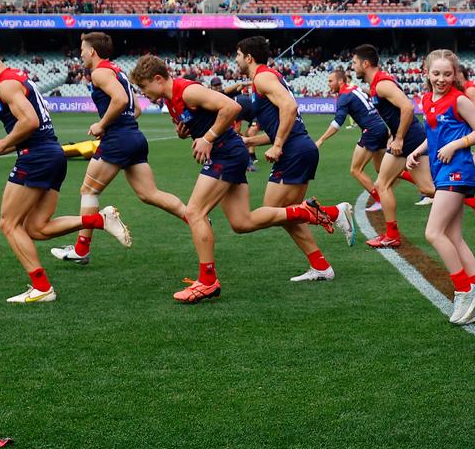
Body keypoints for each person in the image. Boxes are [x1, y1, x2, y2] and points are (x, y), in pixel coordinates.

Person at [129, 55, 352, 303]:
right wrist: (186, 132)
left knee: (194, 212)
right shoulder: (171, 100)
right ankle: (317, 213)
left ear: (158, 79)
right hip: (228, 153)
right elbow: (201, 122)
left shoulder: (187, 91)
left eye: (144, 87)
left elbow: (231, 108)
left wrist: (208, 137)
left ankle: (207, 281)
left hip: (226, 153)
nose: (143, 93)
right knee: (241, 222)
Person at [0, 34, 131, 303]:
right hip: (51, 154)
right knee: (37, 228)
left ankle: (42, 288)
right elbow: (31, 127)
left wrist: (1, 143)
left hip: (37, 157)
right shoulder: (16, 78)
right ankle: (99, 220)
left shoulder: (6, 85)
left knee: (8, 223)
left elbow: (29, 122)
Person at [50, 32, 188, 266]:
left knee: (88, 191)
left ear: (92, 51)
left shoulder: (100, 72)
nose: (80, 53)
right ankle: (193, 215)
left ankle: (81, 250)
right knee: (149, 194)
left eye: (82, 49)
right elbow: (136, 109)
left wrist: (102, 124)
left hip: (118, 139)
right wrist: (117, 122)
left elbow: (121, 100)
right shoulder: (117, 72)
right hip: (134, 136)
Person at [234, 37, 355, 283]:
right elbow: (281, 125)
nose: (235, 60)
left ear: (248, 57)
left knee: (271, 211)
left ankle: (333, 213)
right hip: (301, 147)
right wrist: (249, 142)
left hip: (294, 151)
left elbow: (289, 107)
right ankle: (321, 267)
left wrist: (278, 145)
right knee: (288, 215)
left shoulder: (262, 77)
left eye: (237, 55)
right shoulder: (268, 78)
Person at [405, 50, 475, 323]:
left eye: (447, 74)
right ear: (426, 73)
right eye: (436, 73)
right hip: (440, 169)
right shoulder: (426, 99)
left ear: (455, 75)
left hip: (458, 170)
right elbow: (434, 135)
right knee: (453, 236)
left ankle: (464, 289)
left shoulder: (460, 100)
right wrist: (417, 151)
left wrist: (456, 145)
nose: (441, 79)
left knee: (433, 232)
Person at [353, 44, 435, 248]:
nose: (352, 67)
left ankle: (392, 235)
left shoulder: (381, 84)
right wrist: (393, 135)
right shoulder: (376, 84)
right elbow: (394, 113)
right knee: (418, 186)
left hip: (409, 138)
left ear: (365, 63)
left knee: (393, 185)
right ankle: (392, 235)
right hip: (407, 136)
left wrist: (398, 138)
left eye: (354, 63)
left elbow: (408, 107)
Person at [314, 68, 389, 212]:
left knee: (356, 170)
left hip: (371, 131)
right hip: (380, 128)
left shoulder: (343, 97)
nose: (328, 84)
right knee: (382, 169)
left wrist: (321, 140)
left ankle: (380, 200)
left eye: (331, 81)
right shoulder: (353, 88)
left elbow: (337, 123)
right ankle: (424, 187)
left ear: (340, 81)